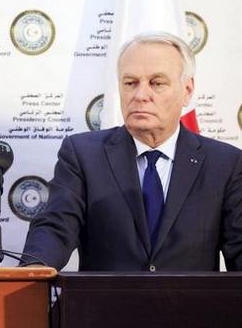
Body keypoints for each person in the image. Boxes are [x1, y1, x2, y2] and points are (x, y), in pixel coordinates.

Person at [22, 31, 242, 271]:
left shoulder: (225, 164)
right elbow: (56, 227)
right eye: (130, 83)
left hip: (190, 308)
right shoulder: (82, 155)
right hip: (105, 307)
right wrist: (32, 272)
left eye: (157, 83)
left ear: (187, 90)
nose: (140, 95)